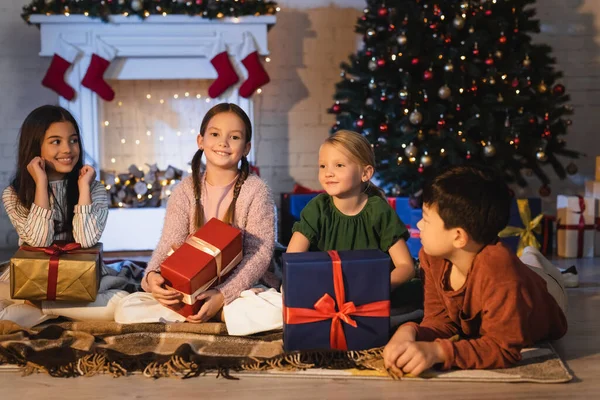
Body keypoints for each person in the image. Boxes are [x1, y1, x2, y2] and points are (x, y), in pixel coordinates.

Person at [383, 165, 567, 377]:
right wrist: (409, 331)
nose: (418, 225)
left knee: (531, 261)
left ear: (459, 237)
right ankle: (527, 259)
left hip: (548, 290)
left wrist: (438, 351)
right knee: (521, 265)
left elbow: (503, 348)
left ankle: (534, 256)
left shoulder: (500, 272)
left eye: (426, 219)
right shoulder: (432, 256)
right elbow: (441, 321)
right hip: (511, 278)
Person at [114, 103, 276, 326]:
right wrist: (152, 276)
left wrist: (222, 295)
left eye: (235, 137)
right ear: (201, 141)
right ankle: (215, 316)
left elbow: (258, 255)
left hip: (240, 289)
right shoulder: (185, 190)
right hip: (191, 289)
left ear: (246, 148)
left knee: (275, 311)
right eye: (215, 134)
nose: (223, 143)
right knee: (126, 310)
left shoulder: (257, 191)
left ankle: (217, 313)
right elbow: (170, 243)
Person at [0, 105, 127, 328]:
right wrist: (40, 183)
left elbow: (86, 241)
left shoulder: (94, 189)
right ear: (35, 145)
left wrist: (84, 189)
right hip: (33, 275)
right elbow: (39, 242)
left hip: (81, 274)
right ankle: (62, 310)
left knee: (120, 303)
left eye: (73, 140)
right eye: (56, 141)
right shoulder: (14, 194)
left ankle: (47, 309)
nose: (68, 149)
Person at [287, 130, 418, 306]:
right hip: (325, 294)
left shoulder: (379, 211)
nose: (328, 173)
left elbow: (406, 267)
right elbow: (292, 261)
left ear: (365, 173)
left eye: (339, 165)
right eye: (323, 166)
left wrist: (378, 289)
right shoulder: (317, 208)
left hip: (373, 295)